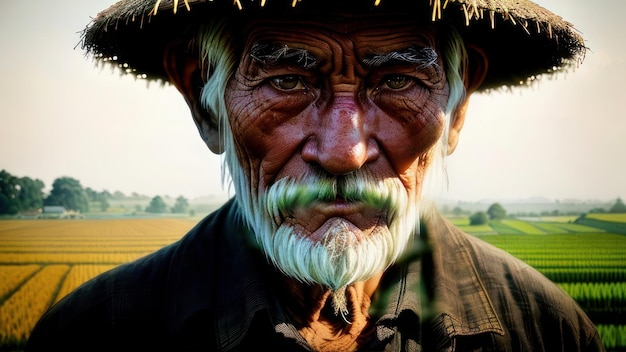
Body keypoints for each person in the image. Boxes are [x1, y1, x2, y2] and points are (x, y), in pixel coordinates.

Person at [25, 0, 604, 351]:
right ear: (206, 101)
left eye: (398, 82)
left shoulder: (547, 331)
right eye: (287, 81)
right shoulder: (94, 336)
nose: (344, 153)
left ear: (456, 106)